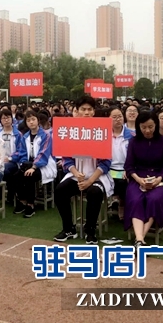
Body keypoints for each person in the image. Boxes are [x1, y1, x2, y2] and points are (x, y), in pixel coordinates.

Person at [53, 97, 111, 244]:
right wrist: (76, 173)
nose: (86, 112)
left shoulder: (102, 130)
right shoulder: (70, 130)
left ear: (94, 111)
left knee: (94, 192)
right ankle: (68, 228)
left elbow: (106, 162)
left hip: (97, 177)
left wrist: (90, 181)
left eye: (89, 109)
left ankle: (90, 230)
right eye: (83, 109)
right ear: (77, 111)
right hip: (76, 176)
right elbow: (66, 159)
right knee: (60, 190)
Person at [124, 111, 163, 247]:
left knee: (154, 199)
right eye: (144, 127)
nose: (147, 130)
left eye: (150, 127)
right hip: (138, 177)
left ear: (156, 125)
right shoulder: (133, 141)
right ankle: (140, 239)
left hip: (158, 178)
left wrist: (157, 180)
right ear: (139, 126)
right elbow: (129, 166)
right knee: (135, 199)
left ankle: (139, 239)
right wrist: (138, 179)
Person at [14, 110, 57, 218]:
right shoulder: (25, 137)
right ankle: (22, 201)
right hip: (29, 164)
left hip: (44, 165)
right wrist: (24, 164)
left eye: (33, 119)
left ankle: (31, 204)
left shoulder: (46, 136)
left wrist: (34, 167)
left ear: (38, 121)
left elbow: (44, 153)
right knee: (17, 175)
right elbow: (22, 152)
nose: (31, 122)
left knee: (29, 176)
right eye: (28, 120)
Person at [109, 107, 134, 221]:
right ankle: (112, 201)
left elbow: (134, 155)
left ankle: (122, 205)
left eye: (120, 116)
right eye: (114, 117)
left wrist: (128, 169)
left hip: (125, 168)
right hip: (109, 168)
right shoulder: (104, 134)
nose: (118, 119)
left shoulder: (132, 135)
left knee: (123, 182)